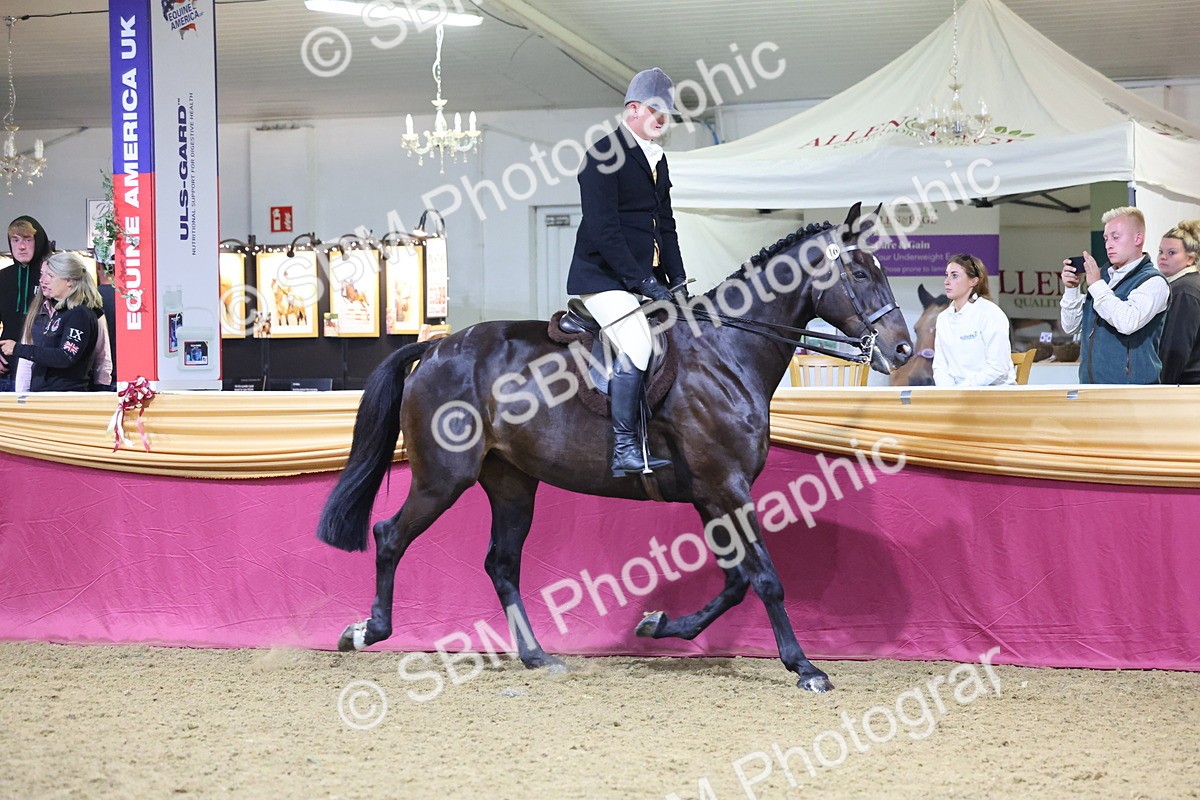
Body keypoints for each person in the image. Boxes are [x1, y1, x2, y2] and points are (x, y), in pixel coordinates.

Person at [567, 67, 688, 477]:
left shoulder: (657, 159)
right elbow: (604, 230)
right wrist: (644, 282)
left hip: (641, 279)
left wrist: (678, 282)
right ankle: (624, 449)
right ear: (632, 109)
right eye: (655, 111)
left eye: (666, 115)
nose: (661, 120)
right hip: (603, 279)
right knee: (637, 344)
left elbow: (665, 225)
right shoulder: (603, 153)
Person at [1059, 206, 1169, 384]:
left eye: (1116, 237)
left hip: (1132, 393)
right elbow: (1070, 327)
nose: (1108, 244)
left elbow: (1127, 322)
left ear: (1138, 238)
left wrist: (1096, 285)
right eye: (1106, 238)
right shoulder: (1103, 279)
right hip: (1091, 389)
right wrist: (1072, 289)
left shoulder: (1153, 282)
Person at [0, 252, 102, 392]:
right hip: (46, 395)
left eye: (51, 276)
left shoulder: (79, 314)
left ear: (69, 281)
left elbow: (65, 356)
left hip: (64, 398)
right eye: (42, 274)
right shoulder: (59, 312)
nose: (43, 280)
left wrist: (18, 349)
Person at [932, 254, 1016, 386]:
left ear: (974, 281)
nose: (946, 281)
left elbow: (998, 368)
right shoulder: (943, 319)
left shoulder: (990, 313)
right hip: (957, 396)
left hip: (993, 394)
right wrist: (948, 392)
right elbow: (940, 367)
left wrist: (963, 390)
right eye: (946, 275)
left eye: (954, 275)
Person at [0, 216, 52, 390]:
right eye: (15, 240)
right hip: (5, 369)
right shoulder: (2, 277)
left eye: (27, 240)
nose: (21, 246)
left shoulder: (53, 278)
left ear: (38, 241)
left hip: (43, 369)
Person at [1157, 220, 1200, 385]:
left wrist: (1162, 387)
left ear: (1190, 259)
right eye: (1161, 251)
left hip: (1186, 383)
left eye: (1171, 252)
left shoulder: (1184, 290)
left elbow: (1176, 348)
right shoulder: (1187, 285)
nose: (1163, 257)